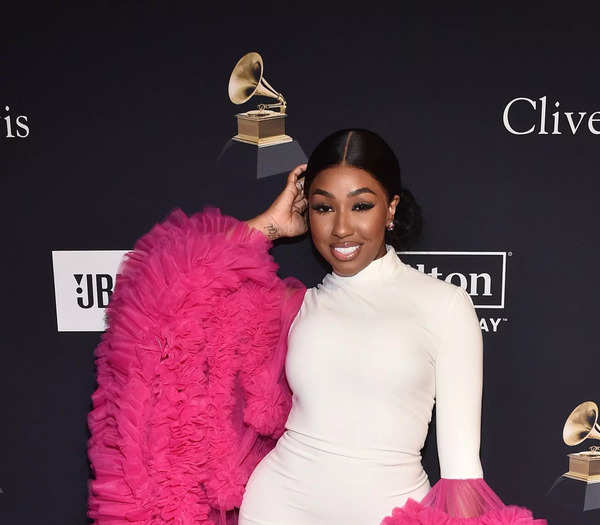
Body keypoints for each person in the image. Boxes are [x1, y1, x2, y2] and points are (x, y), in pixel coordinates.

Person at [87, 129, 545, 525]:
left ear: (391, 208)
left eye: (361, 205)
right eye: (324, 209)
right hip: (278, 508)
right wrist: (268, 225)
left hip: (387, 513)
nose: (342, 228)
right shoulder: (290, 308)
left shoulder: (444, 304)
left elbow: (462, 468)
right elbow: (164, 295)